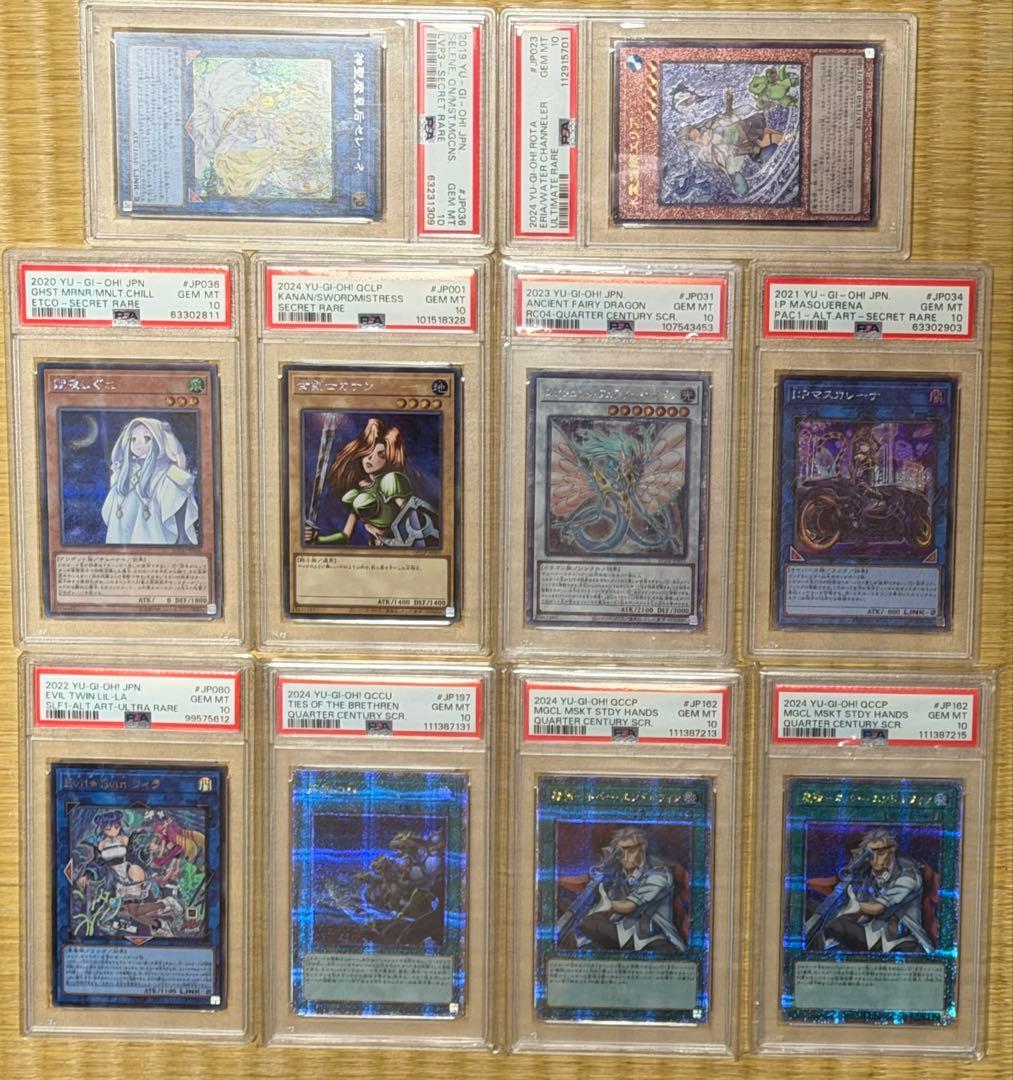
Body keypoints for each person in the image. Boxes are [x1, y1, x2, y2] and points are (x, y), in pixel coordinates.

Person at [304, 417, 437, 547]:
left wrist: (390, 541)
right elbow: (345, 536)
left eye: (380, 455)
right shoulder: (359, 492)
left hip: (396, 547)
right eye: (368, 451)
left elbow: (412, 521)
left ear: (389, 458)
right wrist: (318, 539)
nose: (370, 458)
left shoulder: (391, 480)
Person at [561, 826, 686, 953]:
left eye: (631, 850)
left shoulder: (659, 873)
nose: (625, 857)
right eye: (621, 852)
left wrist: (607, 905)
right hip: (621, 933)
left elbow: (629, 906)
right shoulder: (619, 870)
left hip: (654, 938)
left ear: (643, 847)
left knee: (581, 918)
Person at [808, 827, 933, 953]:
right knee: (817, 914)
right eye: (870, 853)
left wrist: (853, 906)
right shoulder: (869, 873)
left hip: (905, 940)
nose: (875, 859)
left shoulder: (908, 875)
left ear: (892, 850)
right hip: (872, 936)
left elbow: (878, 908)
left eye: (881, 852)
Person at [101, 417, 198, 545]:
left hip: (151, 530)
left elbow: (179, 495)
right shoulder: (123, 471)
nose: (138, 444)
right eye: (133, 439)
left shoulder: (164, 471)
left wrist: (179, 460)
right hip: (123, 529)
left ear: (158, 440)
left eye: (146, 438)